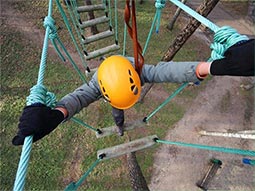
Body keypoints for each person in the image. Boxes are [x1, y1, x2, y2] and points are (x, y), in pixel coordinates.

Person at [12, 39, 254, 145]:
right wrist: (57, 114)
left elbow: (166, 71)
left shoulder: (135, 69)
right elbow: (80, 97)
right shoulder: (99, 81)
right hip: (114, 91)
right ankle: (119, 126)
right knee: (118, 113)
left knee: (121, 107)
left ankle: (119, 121)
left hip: (121, 83)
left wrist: (213, 66)